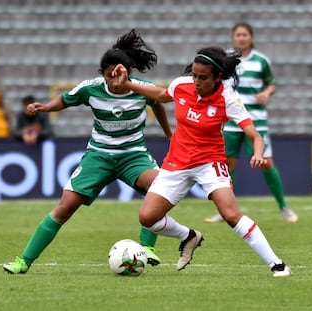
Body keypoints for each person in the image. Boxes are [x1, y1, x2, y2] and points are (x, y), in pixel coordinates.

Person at [112, 46, 292, 277]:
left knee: (230, 214)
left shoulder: (227, 99)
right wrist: (127, 84)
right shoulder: (181, 85)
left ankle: (277, 264)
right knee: (147, 218)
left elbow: (254, 135)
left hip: (210, 163)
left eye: (203, 77)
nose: (196, 81)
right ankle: (188, 236)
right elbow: (159, 95)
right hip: (177, 162)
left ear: (218, 77)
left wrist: (258, 153)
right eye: (194, 75)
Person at [3, 29, 172, 274]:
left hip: (133, 155)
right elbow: (65, 98)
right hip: (99, 155)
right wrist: (45, 107)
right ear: (102, 74)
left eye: (118, 75)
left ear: (126, 72)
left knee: (160, 188)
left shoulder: (142, 89)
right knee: (65, 208)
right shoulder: (91, 89)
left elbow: (158, 103)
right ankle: (23, 261)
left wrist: (168, 133)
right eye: (107, 75)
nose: (113, 81)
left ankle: (147, 247)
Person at [205, 22, 298, 223]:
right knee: (229, 164)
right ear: (233, 37)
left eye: (245, 34)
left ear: (251, 37)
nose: (241, 38)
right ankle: (226, 209)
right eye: (238, 34)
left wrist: (266, 92)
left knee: (266, 163)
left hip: (255, 120)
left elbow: (271, 84)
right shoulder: (226, 60)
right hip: (230, 121)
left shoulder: (261, 61)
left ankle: (284, 206)